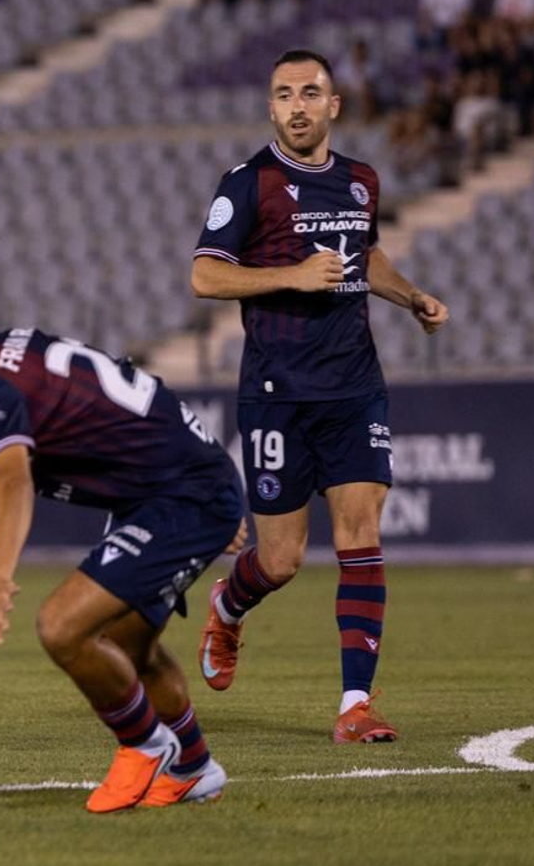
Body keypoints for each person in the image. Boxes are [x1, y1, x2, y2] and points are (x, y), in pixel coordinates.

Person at [0, 267, 246, 813]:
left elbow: (14, 476)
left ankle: (145, 744)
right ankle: (191, 765)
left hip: (181, 497)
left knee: (62, 625)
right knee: (126, 644)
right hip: (180, 485)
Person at [190, 48, 450, 743]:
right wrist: (292, 276)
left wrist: (410, 295)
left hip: (353, 387)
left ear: (334, 105)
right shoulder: (248, 183)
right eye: (284, 95)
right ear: (270, 108)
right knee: (278, 560)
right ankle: (229, 604)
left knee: (360, 533)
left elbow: (365, 255)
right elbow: (207, 277)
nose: (297, 106)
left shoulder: (361, 180)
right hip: (276, 392)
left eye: (311, 93)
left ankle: (355, 704)